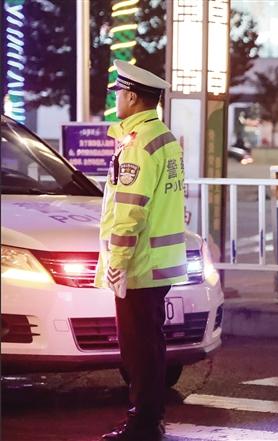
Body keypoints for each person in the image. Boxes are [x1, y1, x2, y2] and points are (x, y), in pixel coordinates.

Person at [96, 60, 188, 441]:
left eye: (118, 92)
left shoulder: (138, 144)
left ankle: (142, 424)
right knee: (150, 345)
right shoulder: (164, 138)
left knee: (137, 351)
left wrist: (116, 263)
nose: (115, 98)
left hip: (138, 264)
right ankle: (150, 419)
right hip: (159, 263)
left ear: (133, 97)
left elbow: (129, 211)